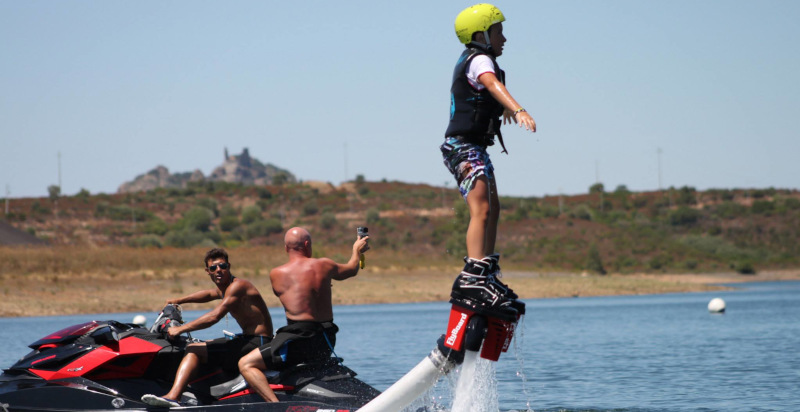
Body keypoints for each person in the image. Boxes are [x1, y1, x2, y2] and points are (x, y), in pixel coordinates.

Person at [441, 4, 536, 312]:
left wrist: (504, 109)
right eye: (499, 32)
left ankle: (487, 271)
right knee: (481, 209)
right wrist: (518, 108)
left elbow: (489, 90)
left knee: (493, 208)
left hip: (474, 147)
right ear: (481, 34)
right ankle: (473, 277)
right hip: (463, 146)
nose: (504, 38)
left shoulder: (483, 58)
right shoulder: (479, 58)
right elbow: (492, 84)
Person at [238, 227, 370, 403]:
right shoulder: (324, 265)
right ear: (307, 245)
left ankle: (275, 406)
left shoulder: (276, 274)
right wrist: (356, 250)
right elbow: (352, 269)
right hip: (326, 340)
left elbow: (289, 296)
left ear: (286, 248)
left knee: (245, 364)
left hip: (299, 343)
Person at [141, 248, 273, 407]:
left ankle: (173, 396)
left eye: (222, 266)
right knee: (203, 344)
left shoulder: (238, 286)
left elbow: (214, 316)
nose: (219, 270)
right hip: (249, 339)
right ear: (207, 271)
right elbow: (209, 294)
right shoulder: (225, 288)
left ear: (229, 266)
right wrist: (178, 300)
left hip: (257, 342)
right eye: (213, 268)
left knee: (193, 349)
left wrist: (180, 329)